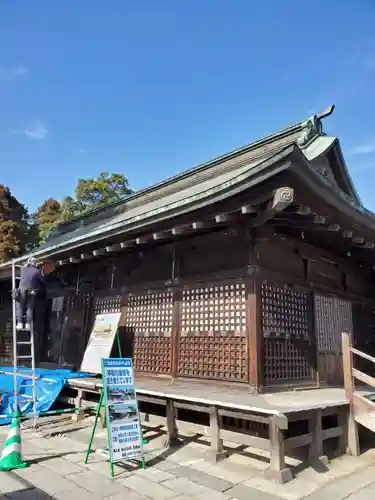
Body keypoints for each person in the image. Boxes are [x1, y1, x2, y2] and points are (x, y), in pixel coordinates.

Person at [15, 257, 46, 330]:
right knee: (30, 307)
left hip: (22, 289)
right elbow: (43, 282)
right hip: (31, 291)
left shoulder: (23, 269)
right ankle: (28, 324)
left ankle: (19, 323)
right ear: (35, 264)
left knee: (20, 307)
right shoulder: (36, 271)